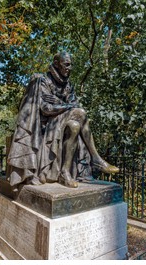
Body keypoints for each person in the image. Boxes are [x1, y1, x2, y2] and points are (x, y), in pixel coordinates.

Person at [7, 51, 119, 188]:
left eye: (70, 65)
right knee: (81, 113)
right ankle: (96, 158)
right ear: (56, 64)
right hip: (46, 126)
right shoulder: (43, 81)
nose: (69, 68)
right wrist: (66, 105)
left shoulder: (68, 86)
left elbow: (73, 104)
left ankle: (65, 172)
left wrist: (58, 102)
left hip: (62, 123)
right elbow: (46, 109)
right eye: (66, 64)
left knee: (74, 127)